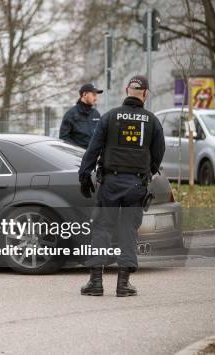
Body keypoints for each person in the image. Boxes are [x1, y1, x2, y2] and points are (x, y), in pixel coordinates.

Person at [78, 75, 165, 297]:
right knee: (128, 231)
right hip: (136, 184)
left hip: (110, 183)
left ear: (127, 90)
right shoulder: (152, 121)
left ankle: (96, 282)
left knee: (101, 229)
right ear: (145, 93)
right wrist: (146, 174)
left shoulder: (109, 117)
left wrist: (84, 174)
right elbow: (158, 155)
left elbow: (93, 149)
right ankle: (123, 284)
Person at [60, 84, 103, 148]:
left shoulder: (96, 114)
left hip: (93, 155)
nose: (96, 98)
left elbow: (100, 135)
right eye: (94, 95)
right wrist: (78, 150)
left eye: (96, 95)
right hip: (77, 156)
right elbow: (64, 138)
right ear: (85, 94)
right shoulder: (71, 114)